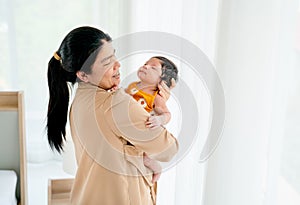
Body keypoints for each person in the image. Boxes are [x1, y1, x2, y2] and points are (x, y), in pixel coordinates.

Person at [46, 26, 178, 205]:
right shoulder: (116, 103)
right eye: (107, 62)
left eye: (114, 56)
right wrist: (161, 104)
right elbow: (168, 149)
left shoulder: (79, 100)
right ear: (83, 74)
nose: (118, 64)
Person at [126, 56, 178, 129]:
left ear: (163, 80)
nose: (145, 66)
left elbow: (167, 114)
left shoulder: (156, 97)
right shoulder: (133, 85)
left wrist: (159, 120)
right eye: (145, 64)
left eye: (153, 68)